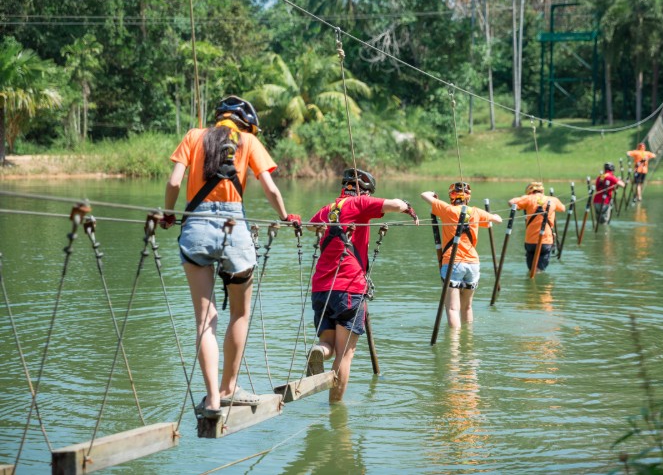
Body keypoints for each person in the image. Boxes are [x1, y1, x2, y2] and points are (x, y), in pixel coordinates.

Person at [161, 95, 300, 419]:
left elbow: (173, 181)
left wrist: (169, 215)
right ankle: (228, 389)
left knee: (204, 320)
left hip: (195, 227)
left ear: (218, 118)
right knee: (239, 312)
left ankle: (211, 400)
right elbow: (271, 189)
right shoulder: (248, 141)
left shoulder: (194, 136)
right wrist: (284, 215)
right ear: (245, 124)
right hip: (234, 228)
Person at [307, 168, 419, 403]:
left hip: (320, 287)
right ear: (365, 192)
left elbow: (310, 225)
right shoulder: (360, 203)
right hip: (349, 288)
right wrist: (409, 207)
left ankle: (319, 351)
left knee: (328, 344)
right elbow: (395, 205)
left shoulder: (329, 209)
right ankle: (335, 407)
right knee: (345, 354)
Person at [420, 182, 502, 330]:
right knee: (467, 307)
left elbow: (424, 195)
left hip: (453, 262)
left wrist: (433, 195)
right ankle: (468, 343)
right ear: (468, 198)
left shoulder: (447, 210)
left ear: (451, 196)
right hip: (473, 264)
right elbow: (498, 220)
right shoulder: (476, 212)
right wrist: (492, 217)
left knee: (452, 308)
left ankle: (454, 345)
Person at [508, 181, 565, 272]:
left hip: (530, 241)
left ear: (529, 191)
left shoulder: (527, 198)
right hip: (546, 241)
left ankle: (533, 275)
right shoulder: (553, 200)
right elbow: (563, 209)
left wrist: (522, 204)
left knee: (531, 269)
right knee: (540, 269)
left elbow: (511, 202)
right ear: (542, 190)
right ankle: (537, 276)